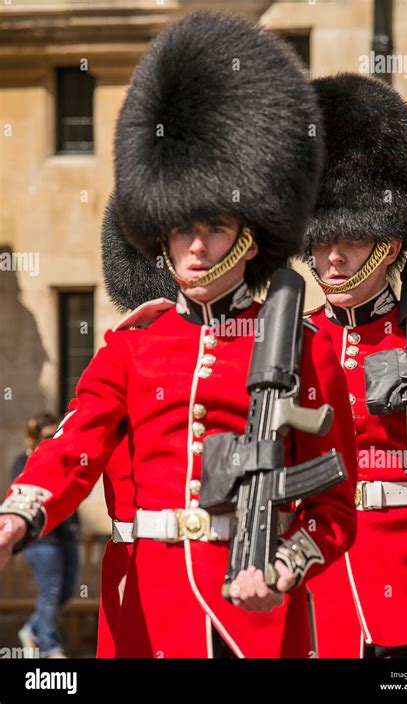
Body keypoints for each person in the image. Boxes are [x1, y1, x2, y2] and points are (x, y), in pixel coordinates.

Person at [0, 13, 357, 658]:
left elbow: (333, 509)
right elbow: (74, 445)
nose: (194, 248)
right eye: (179, 228)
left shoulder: (309, 347)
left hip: (255, 621)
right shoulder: (132, 346)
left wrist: (282, 570)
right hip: (148, 614)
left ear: (251, 234)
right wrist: (20, 514)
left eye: (214, 228)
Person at [304, 73, 407, 658]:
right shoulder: (292, 342)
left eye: (350, 238)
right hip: (320, 590)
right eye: (321, 236)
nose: (331, 255)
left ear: (392, 245)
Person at [10, 413, 79, 658]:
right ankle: (50, 646)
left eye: (56, 434)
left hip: (66, 534)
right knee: (50, 591)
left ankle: (32, 629)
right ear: (35, 437)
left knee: (68, 590)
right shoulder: (24, 461)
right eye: (48, 436)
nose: (53, 439)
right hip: (42, 538)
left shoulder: (63, 457)